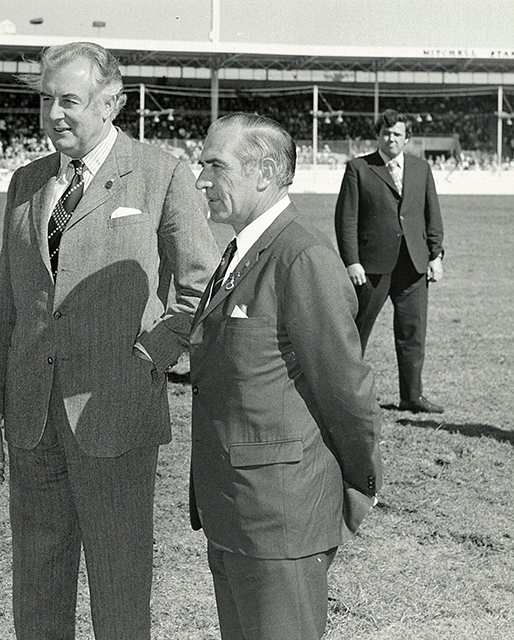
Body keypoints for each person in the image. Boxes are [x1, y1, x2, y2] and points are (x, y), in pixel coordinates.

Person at [0, 41, 219, 639]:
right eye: (47, 100)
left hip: (116, 413)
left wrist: (152, 355)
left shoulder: (161, 174)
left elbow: (201, 284)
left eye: (70, 101)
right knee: (36, 582)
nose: (55, 114)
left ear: (112, 103)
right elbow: (8, 303)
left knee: (120, 586)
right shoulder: (26, 183)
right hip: (32, 417)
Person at [190, 113, 382, 640]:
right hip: (234, 511)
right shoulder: (240, 251)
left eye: (215, 166)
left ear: (265, 171)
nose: (201, 179)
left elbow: (347, 392)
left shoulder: (301, 257)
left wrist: (356, 487)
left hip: (281, 520)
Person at [335, 108, 445, 413]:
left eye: (397, 133)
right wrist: (351, 261)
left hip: (414, 265)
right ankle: (346, 396)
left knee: (413, 333)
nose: (391, 138)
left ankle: (412, 397)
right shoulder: (359, 168)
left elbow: (431, 214)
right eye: (385, 133)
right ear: (377, 136)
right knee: (357, 333)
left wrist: (436, 254)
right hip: (370, 267)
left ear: (407, 138)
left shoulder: (421, 168)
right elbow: (346, 219)